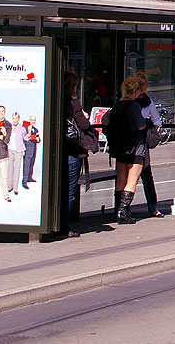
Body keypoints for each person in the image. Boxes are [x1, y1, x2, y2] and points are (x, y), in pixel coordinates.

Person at [106, 77, 149, 224]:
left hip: (120, 148)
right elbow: (141, 126)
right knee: (132, 180)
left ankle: (117, 209)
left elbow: (107, 122)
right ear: (136, 92)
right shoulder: (134, 106)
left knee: (121, 178)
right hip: (135, 148)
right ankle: (123, 211)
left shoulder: (117, 106)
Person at [62, 72, 98, 237]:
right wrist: (85, 116)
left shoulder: (54, 99)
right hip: (72, 151)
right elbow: (83, 125)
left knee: (59, 189)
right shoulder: (73, 103)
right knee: (69, 191)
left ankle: (55, 223)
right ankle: (64, 226)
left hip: (58, 151)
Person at [134, 72, 164, 218]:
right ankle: (122, 209)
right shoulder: (128, 101)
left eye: (143, 85)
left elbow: (157, 121)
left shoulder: (147, 102)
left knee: (146, 175)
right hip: (129, 143)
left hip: (141, 143)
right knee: (129, 176)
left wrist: (148, 129)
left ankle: (153, 206)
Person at [7, 111, 26, 195]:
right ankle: (9, 186)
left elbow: (25, 138)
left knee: (17, 169)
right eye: (13, 118)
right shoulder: (9, 127)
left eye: (16, 118)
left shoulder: (22, 128)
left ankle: (15, 188)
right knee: (10, 168)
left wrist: (29, 133)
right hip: (10, 150)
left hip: (18, 150)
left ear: (19, 118)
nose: (14, 120)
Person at [22, 115, 39, 188]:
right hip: (27, 149)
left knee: (32, 163)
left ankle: (29, 177)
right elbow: (23, 139)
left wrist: (38, 139)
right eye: (32, 120)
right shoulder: (25, 128)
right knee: (26, 165)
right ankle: (24, 181)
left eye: (34, 120)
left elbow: (38, 138)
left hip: (34, 149)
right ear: (29, 120)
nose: (33, 121)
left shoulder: (36, 130)